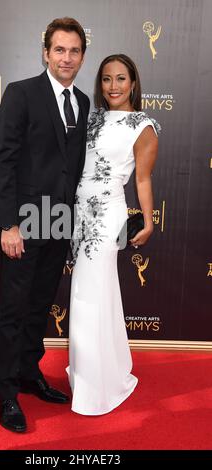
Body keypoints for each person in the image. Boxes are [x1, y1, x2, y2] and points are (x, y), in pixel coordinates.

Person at [0, 17, 90, 432]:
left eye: (74, 51)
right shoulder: (22, 94)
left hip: (59, 223)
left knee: (38, 308)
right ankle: (7, 392)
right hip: (24, 224)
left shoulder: (83, 102)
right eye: (60, 50)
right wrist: (8, 225)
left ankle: (30, 374)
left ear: (82, 56)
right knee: (13, 311)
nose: (67, 58)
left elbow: (73, 169)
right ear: (46, 53)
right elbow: (2, 161)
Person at [67, 54, 160, 415]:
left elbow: (142, 179)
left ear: (133, 83)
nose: (113, 86)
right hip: (76, 213)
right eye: (107, 79)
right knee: (95, 291)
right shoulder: (90, 118)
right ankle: (101, 369)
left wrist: (149, 221)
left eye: (121, 79)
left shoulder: (143, 125)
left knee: (90, 291)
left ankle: (97, 386)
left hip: (108, 215)